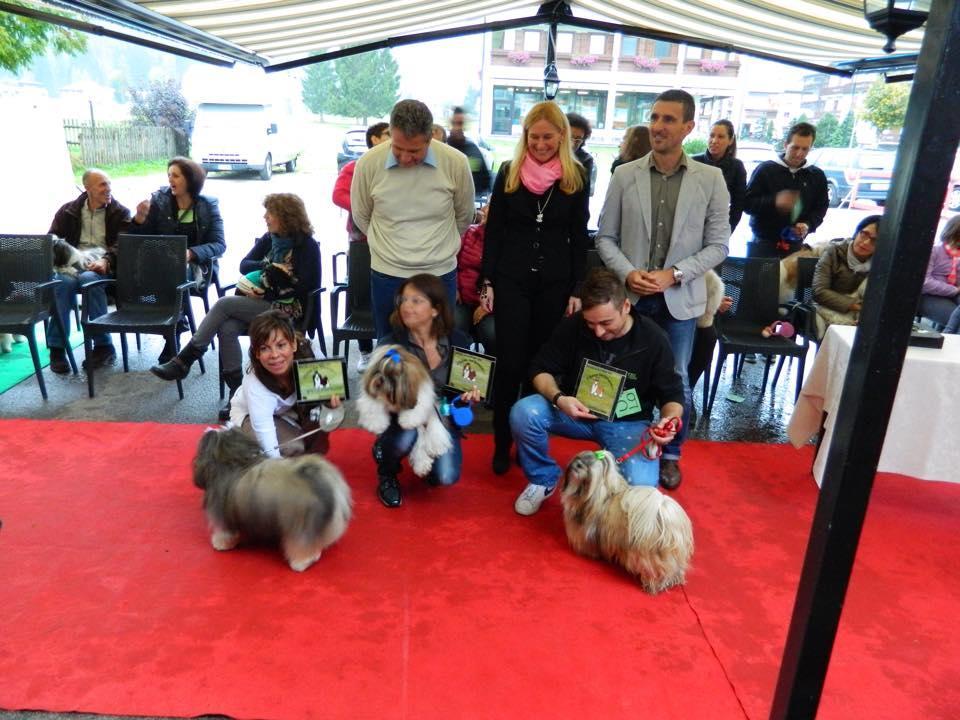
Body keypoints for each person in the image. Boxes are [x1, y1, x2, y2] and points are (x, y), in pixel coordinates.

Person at [595, 88, 730, 490]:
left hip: (680, 298)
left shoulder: (711, 178)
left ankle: (671, 454)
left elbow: (719, 245)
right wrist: (627, 273)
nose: (657, 126)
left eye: (668, 120)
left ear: (689, 127)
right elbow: (605, 237)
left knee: (676, 381)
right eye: (654, 118)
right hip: (632, 296)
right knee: (621, 374)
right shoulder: (624, 173)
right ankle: (618, 444)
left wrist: (676, 273)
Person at [509, 269, 684, 516]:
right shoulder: (574, 325)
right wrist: (559, 398)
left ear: (625, 306)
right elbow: (539, 369)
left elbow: (673, 396)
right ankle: (543, 478)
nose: (598, 332)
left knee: (641, 490)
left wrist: (670, 421)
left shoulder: (653, 338)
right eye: (591, 323)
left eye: (606, 323)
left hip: (627, 422)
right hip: (575, 412)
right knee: (524, 412)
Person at [480, 100, 590, 475]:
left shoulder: (576, 177)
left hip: (555, 285)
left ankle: (527, 441)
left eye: (547, 137)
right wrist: (488, 280)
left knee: (537, 366)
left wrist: (578, 288)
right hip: (512, 281)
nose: (540, 144)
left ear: (561, 136)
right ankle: (500, 442)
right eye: (534, 136)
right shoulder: (509, 173)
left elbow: (579, 238)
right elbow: (493, 233)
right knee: (510, 363)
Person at [150, 194, 321, 420]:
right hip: (263, 303)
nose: (265, 217)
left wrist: (270, 287)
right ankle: (237, 393)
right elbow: (244, 265)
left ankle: (185, 359)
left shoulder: (305, 245)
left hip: (291, 310)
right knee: (227, 327)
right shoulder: (270, 239)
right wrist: (267, 268)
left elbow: (307, 285)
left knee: (223, 304)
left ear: (285, 216)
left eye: (269, 213)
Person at [351, 99, 475, 339]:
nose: (405, 158)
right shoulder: (368, 163)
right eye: (398, 148)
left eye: (415, 151)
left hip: (439, 274)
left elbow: (464, 216)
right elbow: (362, 215)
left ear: (430, 138)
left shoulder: (456, 163)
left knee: (437, 347)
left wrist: (436, 247)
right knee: (391, 349)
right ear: (390, 134)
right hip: (387, 273)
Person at [372, 273, 480, 508]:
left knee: (445, 477)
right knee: (406, 435)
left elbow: (461, 408)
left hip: (441, 418)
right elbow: (377, 400)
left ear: (435, 310)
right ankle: (387, 472)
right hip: (401, 416)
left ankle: (423, 458)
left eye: (416, 300)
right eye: (404, 300)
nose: (406, 306)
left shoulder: (459, 342)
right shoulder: (390, 346)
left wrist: (465, 400)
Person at [129, 156, 226, 362]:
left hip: (199, 266)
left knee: (174, 272)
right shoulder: (160, 200)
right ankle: (175, 324)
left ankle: (173, 330)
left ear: (190, 179)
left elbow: (219, 244)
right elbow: (143, 238)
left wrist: (191, 253)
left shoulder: (207, 205)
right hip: (161, 265)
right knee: (154, 272)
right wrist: (139, 220)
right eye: (169, 175)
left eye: (176, 176)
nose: (170, 180)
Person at [47, 168, 132, 373]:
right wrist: (65, 257)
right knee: (62, 283)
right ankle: (57, 348)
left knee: (90, 279)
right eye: (103, 184)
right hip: (73, 265)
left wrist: (106, 260)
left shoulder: (120, 212)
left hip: (105, 266)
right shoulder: (68, 211)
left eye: (109, 184)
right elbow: (51, 239)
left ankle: (103, 345)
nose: (108, 188)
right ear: (87, 188)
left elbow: (123, 244)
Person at [230, 309, 337, 459]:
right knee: (294, 447)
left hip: (289, 411)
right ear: (257, 353)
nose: (274, 355)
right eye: (264, 348)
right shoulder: (255, 385)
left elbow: (325, 408)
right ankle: (241, 443)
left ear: (293, 344)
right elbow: (270, 449)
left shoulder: (309, 353)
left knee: (319, 422)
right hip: (248, 413)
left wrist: (331, 407)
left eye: (281, 345)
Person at [332, 121, 390, 371]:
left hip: (391, 243)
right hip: (362, 243)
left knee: (389, 296)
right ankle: (366, 351)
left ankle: (387, 351)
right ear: (375, 139)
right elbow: (338, 195)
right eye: (388, 134)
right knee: (362, 295)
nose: (393, 138)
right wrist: (369, 208)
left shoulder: (394, 169)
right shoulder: (354, 167)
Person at [744, 122, 829, 258]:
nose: (799, 154)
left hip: (795, 246)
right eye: (795, 147)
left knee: (788, 280)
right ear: (785, 145)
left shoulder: (817, 176)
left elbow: (821, 207)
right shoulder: (765, 170)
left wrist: (808, 224)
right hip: (762, 244)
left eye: (805, 149)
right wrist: (774, 201)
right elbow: (747, 204)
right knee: (757, 280)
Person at [812, 215, 880, 338]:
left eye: (874, 240)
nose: (865, 242)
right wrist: (857, 307)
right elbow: (819, 291)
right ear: (857, 232)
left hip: (862, 313)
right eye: (864, 234)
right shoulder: (833, 252)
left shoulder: (881, 262)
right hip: (827, 307)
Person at [454, 204, 496, 354]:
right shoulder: (468, 233)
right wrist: (455, 289)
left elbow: (507, 282)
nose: (484, 209)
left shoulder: (507, 243)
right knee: (455, 327)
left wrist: (488, 307)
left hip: (489, 304)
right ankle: (455, 371)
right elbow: (453, 264)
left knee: (492, 334)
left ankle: (492, 373)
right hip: (463, 299)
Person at [693, 120, 747, 232]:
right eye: (712, 135)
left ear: (730, 140)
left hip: (717, 227)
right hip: (691, 226)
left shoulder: (737, 167)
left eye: (721, 137)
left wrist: (727, 230)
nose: (714, 141)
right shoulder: (694, 162)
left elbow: (738, 204)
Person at [920, 215, 960, 333]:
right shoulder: (934, 251)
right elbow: (925, 283)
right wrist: (954, 290)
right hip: (929, 296)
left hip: (953, 294)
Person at [447, 106, 492, 200]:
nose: (457, 127)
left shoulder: (472, 149)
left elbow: (485, 181)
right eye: (454, 123)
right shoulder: (443, 149)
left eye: (460, 123)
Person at [566, 112, 597, 197]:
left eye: (578, 139)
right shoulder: (550, 153)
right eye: (570, 137)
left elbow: (583, 194)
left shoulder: (586, 160)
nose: (573, 143)